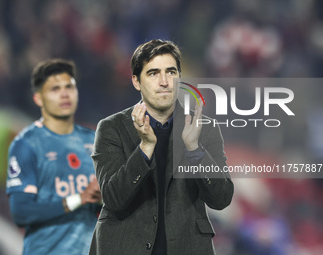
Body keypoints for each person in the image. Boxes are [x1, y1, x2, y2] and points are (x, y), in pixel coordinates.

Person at [89, 39, 234, 255]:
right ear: (136, 82)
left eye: (171, 72)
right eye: (153, 73)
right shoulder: (111, 128)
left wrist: (195, 151)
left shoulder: (205, 127)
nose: (164, 81)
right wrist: (145, 148)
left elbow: (221, 198)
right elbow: (113, 198)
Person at [6, 59, 102, 255]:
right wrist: (77, 199)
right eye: (55, 89)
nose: (65, 94)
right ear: (38, 99)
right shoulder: (26, 144)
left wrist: (104, 198)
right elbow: (21, 212)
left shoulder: (94, 140)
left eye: (69, 87)